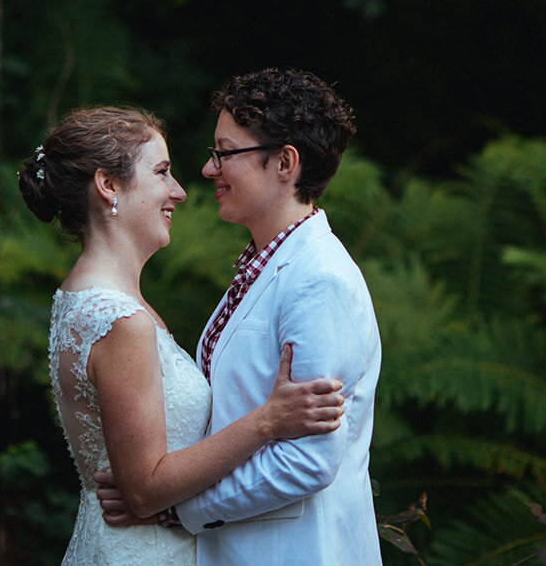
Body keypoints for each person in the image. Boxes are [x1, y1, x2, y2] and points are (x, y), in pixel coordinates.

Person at [20, 105, 347, 566]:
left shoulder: (87, 298)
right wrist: (267, 422)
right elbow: (145, 490)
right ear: (109, 185)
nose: (179, 192)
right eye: (161, 172)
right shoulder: (120, 321)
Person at [99, 68, 384, 565]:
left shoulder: (319, 281)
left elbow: (307, 461)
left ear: (284, 163)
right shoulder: (265, 263)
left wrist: (174, 507)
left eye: (225, 153)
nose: (209, 170)